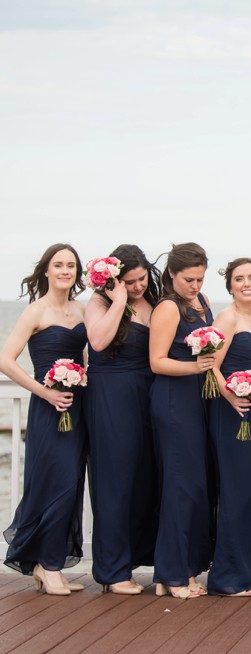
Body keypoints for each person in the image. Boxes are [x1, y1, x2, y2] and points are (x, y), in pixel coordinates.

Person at [1, 244, 88, 595]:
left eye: (71, 265)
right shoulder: (35, 311)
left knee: (72, 483)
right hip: (49, 407)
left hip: (79, 406)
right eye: (59, 265)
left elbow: (86, 357)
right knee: (56, 481)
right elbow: (6, 361)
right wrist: (44, 391)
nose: (65, 270)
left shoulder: (82, 309)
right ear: (47, 271)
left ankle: (50, 563)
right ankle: (46, 564)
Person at [84, 244, 161, 595]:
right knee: (115, 478)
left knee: (145, 477)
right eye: (129, 282)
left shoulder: (155, 303)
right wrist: (118, 301)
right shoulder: (100, 304)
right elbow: (98, 343)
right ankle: (112, 571)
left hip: (148, 393)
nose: (137, 287)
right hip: (111, 395)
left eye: (141, 279)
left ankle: (136, 558)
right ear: (115, 280)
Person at [148, 242, 214, 599]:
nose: (195, 286)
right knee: (178, 485)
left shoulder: (200, 304)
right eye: (189, 279)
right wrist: (196, 367)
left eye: (200, 279)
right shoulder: (168, 308)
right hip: (172, 399)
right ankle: (173, 576)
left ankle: (179, 570)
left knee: (193, 487)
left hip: (195, 399)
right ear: (172, 274)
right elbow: (156, 361)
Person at [206, 258, 251, 597]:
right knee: (236, 489)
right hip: (231, 410)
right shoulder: (227, 318)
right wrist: (231, 397)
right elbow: (210, 367)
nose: (247, 283)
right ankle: (228, 576)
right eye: (239, 279)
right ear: (230, 285)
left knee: (247, 488)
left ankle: (249, 570)